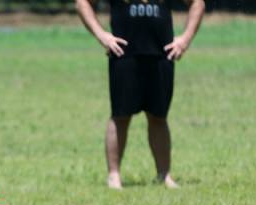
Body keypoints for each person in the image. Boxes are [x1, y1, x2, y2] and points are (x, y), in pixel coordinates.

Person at [76, 0, 205, 189]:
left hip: (162, 56)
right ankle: (114, 176)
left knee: (159, 117)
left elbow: (197, 3)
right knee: (120, 116)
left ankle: (164, 175)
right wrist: (102, 35)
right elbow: (82, 3)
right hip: (124, 56)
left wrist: (185, 40)